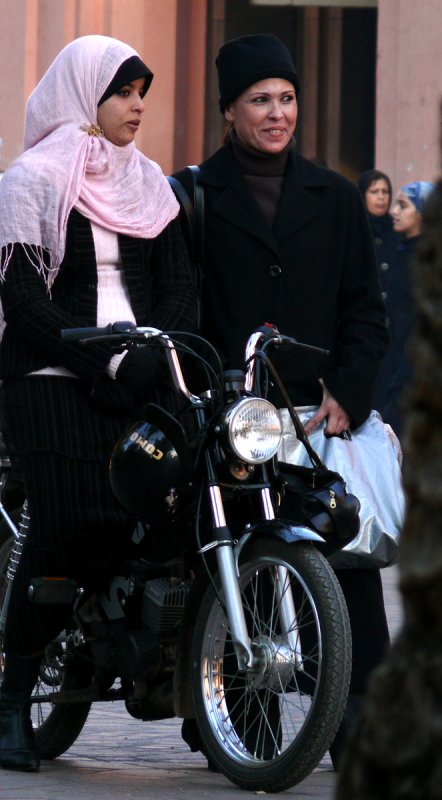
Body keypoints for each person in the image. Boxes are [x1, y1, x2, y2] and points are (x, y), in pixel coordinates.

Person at [173, 33, 390, 770]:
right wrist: (204, 394)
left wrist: (349, 390)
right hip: (233, 420)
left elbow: (367, 311)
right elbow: (181, 308)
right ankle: (239, 720)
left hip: (321, 414)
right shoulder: (195, 193)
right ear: (230, 108)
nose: (277, 113)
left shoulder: (334, 196)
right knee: (232, 558)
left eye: (287, 98)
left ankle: (362, 728)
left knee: (347, 563)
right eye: (260, 100)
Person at [0, 35, 197, 773]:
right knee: (64, 526)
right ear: (85, 97)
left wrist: (151, 352)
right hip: (50, 377)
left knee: (182, 505)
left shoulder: (153, 185)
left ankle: (151, 661)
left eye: (143, 90)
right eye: (122, 92)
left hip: (139, 372)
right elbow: (21, 299)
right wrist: (98, 359)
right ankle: (12, 699)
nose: (137, 104)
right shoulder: (33, 179)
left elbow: (179, 286)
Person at [383, 180, 435, 439]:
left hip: (412, 372)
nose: (394, 211)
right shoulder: (398, 251)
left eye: (403, 205)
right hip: (391, 364)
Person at [357, 169, 400, 415]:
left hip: (396, 331)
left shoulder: (396, 233)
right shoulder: (358, 229)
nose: (381, 197)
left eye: (385, 192)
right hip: (368, 330)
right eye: (374, 192)